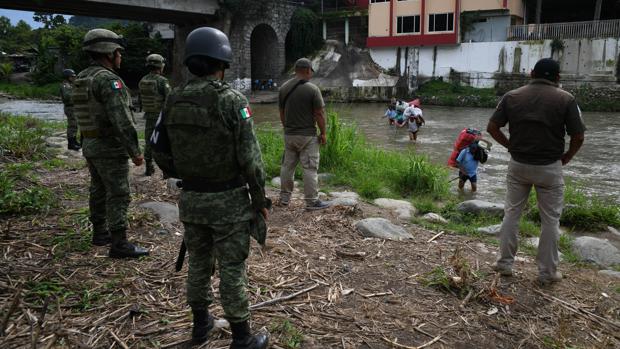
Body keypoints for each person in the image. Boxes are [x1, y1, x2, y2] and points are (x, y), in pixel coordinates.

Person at [152, 27, 269, 348]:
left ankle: (200, 326)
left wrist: (186, 172)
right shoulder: (232, 101)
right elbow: (251, 159)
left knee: (199, 265)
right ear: (223, 62)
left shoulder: (172, 99)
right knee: (232, 269)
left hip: (191, 199)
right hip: (228, 201)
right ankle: (243, 340)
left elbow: (158, 149)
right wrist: (260, 200)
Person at [487, 58, 586, 285]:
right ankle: (547, 272)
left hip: (518, 164)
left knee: (512, 213)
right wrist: (567, 156)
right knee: (550, 220)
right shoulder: (566, 99)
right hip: (550, 167)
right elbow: (578, 136)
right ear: (558, 78)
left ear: (531, 73)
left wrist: (510, 146)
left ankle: (504, 264)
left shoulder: (511, 96)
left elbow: (492, 127)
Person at [73, 28, 149, 258]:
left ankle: (99, 233)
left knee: (98, 189)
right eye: (118, 52)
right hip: (109, 147)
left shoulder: (81, 78)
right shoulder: (108, 81)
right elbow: (122, 121)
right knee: (118, 193)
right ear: (109, 53)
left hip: (90, 144)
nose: (120, 56)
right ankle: (119, 243)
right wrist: (135, 152)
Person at [278, 58, 330, 210]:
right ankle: (311, 201)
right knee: (309, 168)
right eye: (311, 72)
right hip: (307, 136)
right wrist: (324, 133)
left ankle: (284, 199)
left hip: (289, 135)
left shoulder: (283, 88)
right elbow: (319, 114)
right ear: (307, 70)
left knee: (287, 167)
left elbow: (281, 112)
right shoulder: (312, 89)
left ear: (295, 70)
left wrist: (287, 128)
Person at [138, 53, 171, 176]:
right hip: (161, 116)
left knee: (148, 141)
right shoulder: (162, 81)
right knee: (165, 142)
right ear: (160, 66)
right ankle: (166, 171)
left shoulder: (143, 80)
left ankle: (149, 166)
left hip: (149, 116)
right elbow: (169, 99)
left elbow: (141, 99)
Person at [60, 69, 81, 151]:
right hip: (70, 107)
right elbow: (67, 97)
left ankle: (75, 141)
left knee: (75, 125)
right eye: (72, 76)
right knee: (72, 125)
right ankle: (71, 143)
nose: (74, 78)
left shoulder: (71, 85)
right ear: (67, 77)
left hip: (74, 107)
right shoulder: (65, 85)